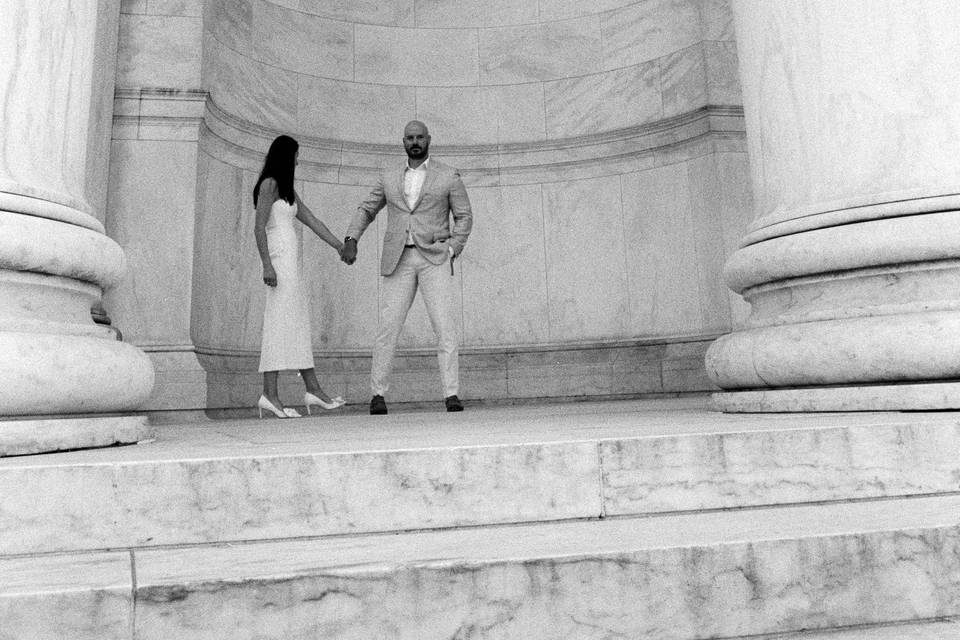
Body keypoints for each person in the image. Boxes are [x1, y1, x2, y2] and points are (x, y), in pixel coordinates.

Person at [340, 121, 473, 415]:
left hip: (433, 257)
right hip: (398, 258)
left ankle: (451, 393)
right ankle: (377, 394)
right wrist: (351, 238)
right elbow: (367, 208)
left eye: (419, 137)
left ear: (428, 140)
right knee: (388, 327)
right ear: (403, 142)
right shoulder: (389, 176)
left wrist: (452, 248)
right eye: (410, 138)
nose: (415, 142)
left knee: (444, 327)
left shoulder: (448, 175)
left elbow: (464, 216)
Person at [253, 135, 346, 418]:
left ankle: (312, 389)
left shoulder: (287, 190)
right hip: (279, 264)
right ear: (285, 156)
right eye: (295, 155)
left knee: (295, 322)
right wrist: (267, 266)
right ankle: (270, 394)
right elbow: (258, 228)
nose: (297, 160)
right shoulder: (269, 185)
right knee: (278, 325)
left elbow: (313, 220)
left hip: (290, 266)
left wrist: (340, 246)